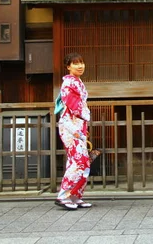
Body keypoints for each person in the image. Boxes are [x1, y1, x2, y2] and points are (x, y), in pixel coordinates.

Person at [55, 52, 92, 210]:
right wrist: (85, 115)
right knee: (79, 162)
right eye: (76, 63)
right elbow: (74, 107)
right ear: (68, 66)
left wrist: (83, 127)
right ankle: (64, 195)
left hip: (78, 126)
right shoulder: (69, 83)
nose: (80, 66)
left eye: (82, 62)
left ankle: (75, 195)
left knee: (81, 162)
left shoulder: (77, 82)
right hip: (70, 126)